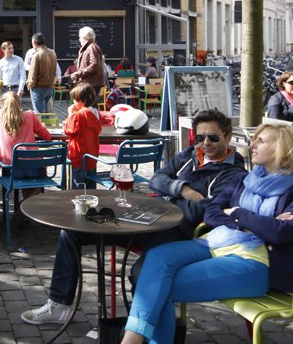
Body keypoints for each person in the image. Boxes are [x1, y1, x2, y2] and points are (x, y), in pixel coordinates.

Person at [89, 122, 293, 344]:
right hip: (214, 243)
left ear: (284, 152)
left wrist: (236, 212)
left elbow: (281, 233)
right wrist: (253, 221)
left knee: (163, 285)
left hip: (254, 264)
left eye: (262, 141)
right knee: (158, 258)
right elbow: (212, 213)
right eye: (255, 140)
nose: (253, 145)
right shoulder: (243, 181)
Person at [22, 107, 246, 327]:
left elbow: (202, 211)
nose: (205, 143)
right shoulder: (190, 154)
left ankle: (139, 328)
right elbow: (156, 179)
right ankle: (59, 304)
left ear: (227, 137)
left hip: (179, 232)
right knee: (72, 231)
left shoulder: (233, 174)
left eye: (213, 137)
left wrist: (167, 198)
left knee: (142, 273)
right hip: (148, 216)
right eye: (200, 137)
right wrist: (182, 190)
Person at [0, 91, 51, 167]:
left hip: (10, 169)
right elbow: (47, 136)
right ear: (19, 103)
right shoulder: (30, 116)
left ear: (3, 104)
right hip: (33, 168)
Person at [63, 84, 102, 188]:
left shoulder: (77, 115)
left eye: (74, 100)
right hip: (92, 158)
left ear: (81, 100)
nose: (74, 103)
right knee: (90, 188)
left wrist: (70, 114)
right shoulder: (94, 114)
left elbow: (68, 130)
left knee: (78, 189)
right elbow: (98, 130)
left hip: (79, 159)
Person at [26, 33, 59, 114]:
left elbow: (32, 74)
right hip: (50, 87)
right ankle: (47, 126)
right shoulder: (52, 53)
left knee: (39, 114)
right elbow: (55, 68)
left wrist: (29, 85)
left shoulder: (36, 55)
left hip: (38, 87)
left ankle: (41, 126)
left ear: (34, 42)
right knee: (46, 112)